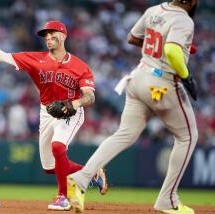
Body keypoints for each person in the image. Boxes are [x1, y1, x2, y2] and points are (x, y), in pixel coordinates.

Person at [67, 0, 199, 213]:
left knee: (124, 134)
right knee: (188, 136)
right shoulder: (183, 20)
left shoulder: (154, 10)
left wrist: (164, 43)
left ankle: (81, 178)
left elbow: (133, 38)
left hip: (138, 77)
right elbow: (173, 51)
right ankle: (168, 199)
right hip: (162, 82)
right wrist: (187, 76)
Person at [0, 19, 107, 211]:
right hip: (47, 112)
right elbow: (1, 57)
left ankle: (62, 197)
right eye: (45, 35)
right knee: (49, 167)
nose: (48, 37)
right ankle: (91, 173)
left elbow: (90, 97)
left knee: (58, 147)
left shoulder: (80, 66)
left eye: (52, 33)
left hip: (71, 112)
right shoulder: (35, 59)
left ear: (64, 35)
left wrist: (75, 103)